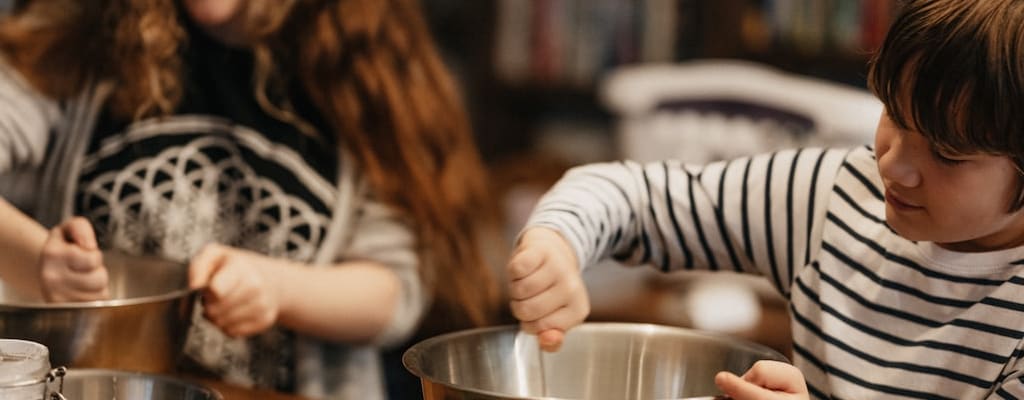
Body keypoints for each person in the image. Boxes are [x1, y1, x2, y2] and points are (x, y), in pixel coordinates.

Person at [506, 0, 1024, 398]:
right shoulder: (837, 195)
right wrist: (559, 243)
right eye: (895, 116)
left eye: (948, 154)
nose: (893, 164)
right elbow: (632, 196)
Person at [0, 0, 500, 398]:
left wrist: (278, 289)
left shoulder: (364, 68)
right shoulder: (78, 34)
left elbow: (394, 294)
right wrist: (36, 259)